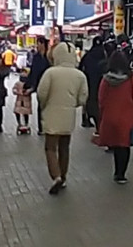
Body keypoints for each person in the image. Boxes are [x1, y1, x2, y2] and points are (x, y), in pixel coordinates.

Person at [36, 42, 88, 195]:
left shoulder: (50, 73)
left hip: (51, 114)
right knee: (64, 147)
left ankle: (56, 176)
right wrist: (72, 104)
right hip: (68, 116)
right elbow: (83, 98)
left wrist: (45, 105)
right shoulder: (80, 75)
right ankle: (63, 177)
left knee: (50, 147)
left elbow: (41, 93)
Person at [97, 50, 133, 184]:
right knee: (124, 146)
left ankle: (117, 172)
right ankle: (121, 174)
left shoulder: (106, 79)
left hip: (110, 116)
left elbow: (101, 99)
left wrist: (102, 115)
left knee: (115, 145)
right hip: (127, 118)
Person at [78, 36, 108, 129]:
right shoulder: (104, 54)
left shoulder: (88, 55)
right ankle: (98, 120)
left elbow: (80, 67)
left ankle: (85, 118)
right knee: (98, 100)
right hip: (100, 81)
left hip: (88, 80)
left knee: (88, 99)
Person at [25, 36, 51, 134]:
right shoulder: (36, 57)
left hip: (49, 83)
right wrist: (30, 85)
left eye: (39, 44)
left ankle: (47, 125)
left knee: (48, 106)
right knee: (41, 105)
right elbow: (34, 71)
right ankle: (41, 128)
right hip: (40, 84)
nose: (37, 46)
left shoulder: (49, 56)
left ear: (43, 44)